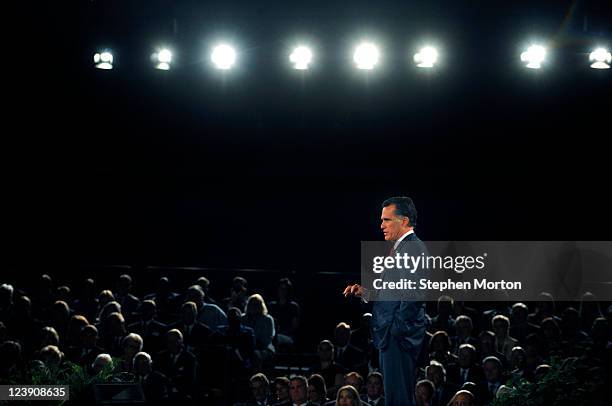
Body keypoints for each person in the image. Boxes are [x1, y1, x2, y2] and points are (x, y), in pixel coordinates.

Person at [344, 196, 427, 406]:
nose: (381, 225)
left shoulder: (412, 248)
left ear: (405, 221)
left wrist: (395, 330)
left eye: (387, 220)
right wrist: (366, 292)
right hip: (392, 335)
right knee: (395, 396)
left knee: (398, 398)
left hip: (396, 336)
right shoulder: (402, 247)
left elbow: (413, 296)